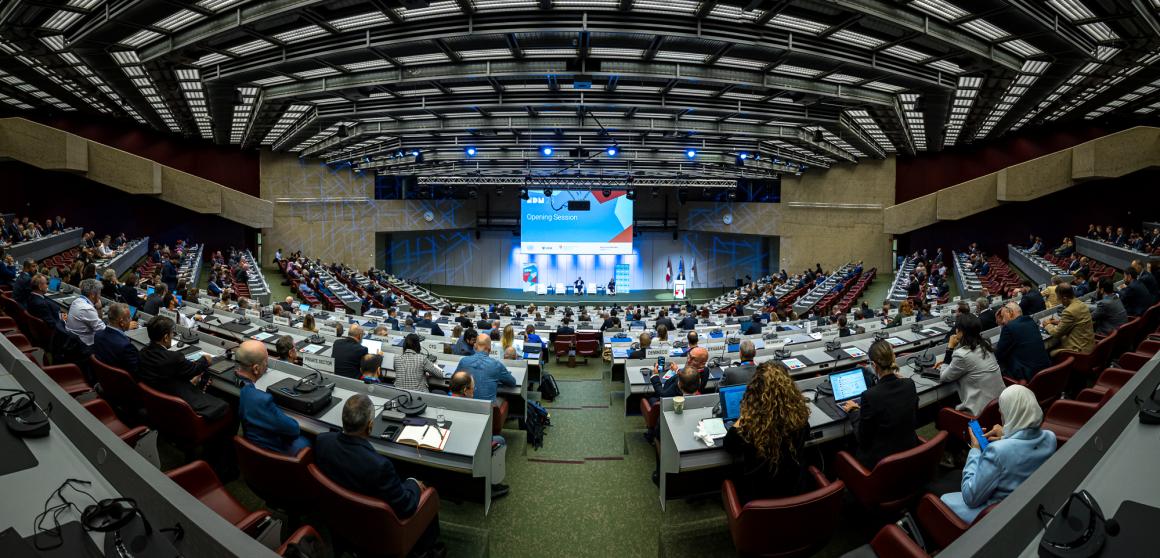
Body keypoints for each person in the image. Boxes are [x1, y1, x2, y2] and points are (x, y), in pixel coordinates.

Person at [313, 395, 444, 557]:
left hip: (340, 520)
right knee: (426, 490)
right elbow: (406, 507)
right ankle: (425, 548)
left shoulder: (321, 441)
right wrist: (413, 483)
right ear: (370, 426)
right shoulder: (380, 466)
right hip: (379, 531)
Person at [940, 385, 1056, 523]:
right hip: (1026, 504)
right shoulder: (1050, 438)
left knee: (941, 498)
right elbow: (1024, 449)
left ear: (1011, 413)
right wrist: (1007, 436)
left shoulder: (998, 451)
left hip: (995, 517)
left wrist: (975, 449)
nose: (1001, 413)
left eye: (1003, 410)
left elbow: (970, 497)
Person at [724, 362, 811, 503]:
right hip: (795, 489)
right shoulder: (799, 417)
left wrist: (745, 415)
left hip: (758, 498)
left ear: (755, 390)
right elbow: (806, 434)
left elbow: (729, 446)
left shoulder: (749, 425)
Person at [843, 339, 919, 469]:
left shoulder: (870, 395)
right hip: (909, 452)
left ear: (874, 365)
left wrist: (854, 411)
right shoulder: (909, 384)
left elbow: (863, 439)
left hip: (881, 464)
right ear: (893, 357)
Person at [135, 316, 228, 420]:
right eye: (172, 334)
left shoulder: (142, 353)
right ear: (165, 337)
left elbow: (165, 376)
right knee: (226, 406)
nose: (172, 336)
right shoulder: (173, 358)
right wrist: (205, 359)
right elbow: (195, 368)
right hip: (179, 407)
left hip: (158, 403)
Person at [235, 339, 310, 455]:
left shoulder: (244, 389)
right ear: (256, 369)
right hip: (271, 453)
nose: (267, 365)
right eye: (265, 362)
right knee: (307, 442)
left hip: (253, 445)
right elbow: (293, 430)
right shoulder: (262, 400)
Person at [449, 371, 510, 499]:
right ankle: (491, 486)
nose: (474, 390)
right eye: (473, 387)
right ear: (465, 390)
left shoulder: (444, 401)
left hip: (450, 447)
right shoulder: (474, 410)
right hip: (468, 450)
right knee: (500, 440)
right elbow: (481, 439)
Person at [936, 314, 1005, 416]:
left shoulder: (962, 355)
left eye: (957, 328)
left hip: (978, 415)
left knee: (941, 411)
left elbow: (943, 377)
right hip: (998, 406)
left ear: (960, 332)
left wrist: (950, 348)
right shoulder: (985, 344)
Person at [994, 303, 1052, 383]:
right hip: (1046, 371)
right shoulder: (1030, 321)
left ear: (1010, 313)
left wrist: (1000, 324)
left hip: (1029, 377)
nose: (1003, 320)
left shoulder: (1009, 327)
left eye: (1003, 316)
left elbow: (999, 354)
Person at [455, 333, 516, 402]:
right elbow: (512, 383)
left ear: (475, 346)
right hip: (486, 410)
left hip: (464, 406)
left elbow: (454, 382)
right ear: (490, 349)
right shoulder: (496, 365)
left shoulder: (463, 361)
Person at [1043, 284, 1094, 357]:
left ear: (1064, 298)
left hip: (1078, 351)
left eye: (1059, 298)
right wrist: (1058, 322)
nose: (1059, 301)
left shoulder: (1069, 311)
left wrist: (1047, 325)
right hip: (1088, 346)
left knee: (1050, 353)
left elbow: (1057, 334)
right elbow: (1076, 321)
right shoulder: (1081, 304)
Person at [93, 303, 139, 374]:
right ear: (122, 322)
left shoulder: (97, 335)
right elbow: (136, 372)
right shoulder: (126, 347)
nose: (131, 320)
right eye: (129, 317)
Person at [65, 278, 106, 346]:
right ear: (93, 294)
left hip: (72, 341)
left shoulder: (76, 301)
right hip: (83, 346)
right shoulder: (87, 309)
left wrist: (99, 308)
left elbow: (99, 321)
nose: (100, 297)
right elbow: (103, 330)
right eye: (99, 294)